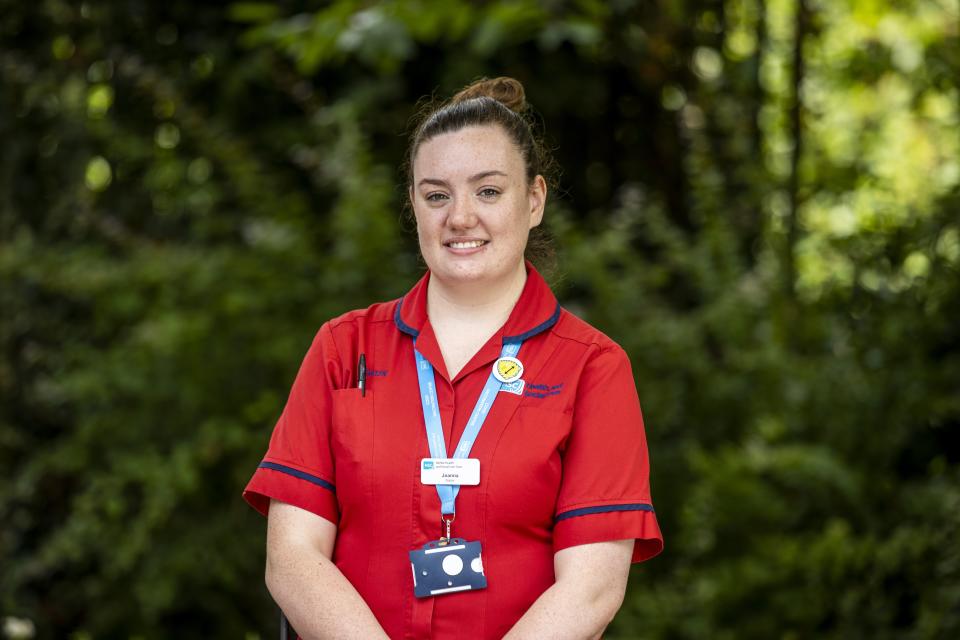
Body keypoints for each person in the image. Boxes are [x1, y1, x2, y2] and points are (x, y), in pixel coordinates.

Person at [243, 77, 663, 639]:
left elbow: (592, 587)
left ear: (534, 200)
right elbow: (292, 558)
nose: (460, 217)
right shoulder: (344, 348)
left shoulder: (593, 367)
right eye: (437, 195)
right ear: (413, 204)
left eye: (488, 191)